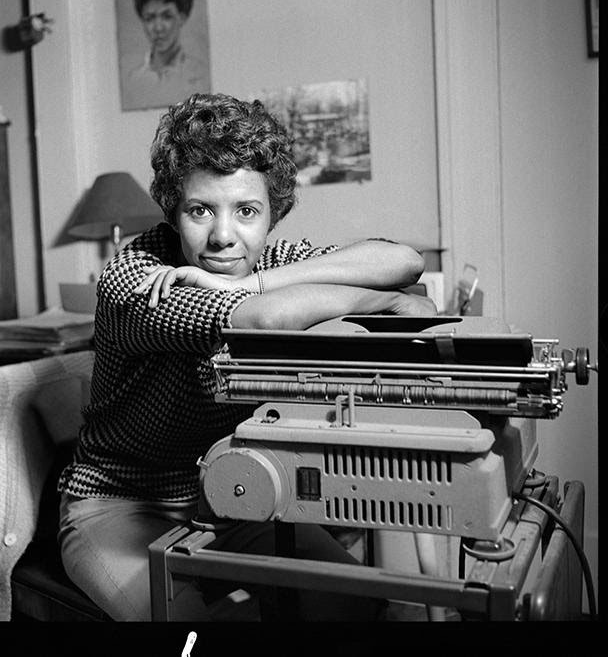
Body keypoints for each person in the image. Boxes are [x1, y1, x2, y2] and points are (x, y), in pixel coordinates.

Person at [57, 93, 436, 622]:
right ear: (172, 209)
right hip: (120, 506)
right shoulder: (137, 277)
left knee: (356, 607)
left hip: (235, 497)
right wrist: (382, 303)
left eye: (247, 211)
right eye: (200, 210)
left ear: (272, 214)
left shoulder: (267, 263)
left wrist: (259, 278)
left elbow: (403, 260)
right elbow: (264, 319)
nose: (223, 236)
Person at [125, 0, 209, 108]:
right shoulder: (134, 80)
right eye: (150, 18)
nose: (158, 28)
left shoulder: (200, 76)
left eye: (167, 16)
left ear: (182, 17)